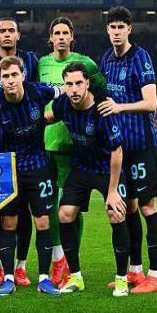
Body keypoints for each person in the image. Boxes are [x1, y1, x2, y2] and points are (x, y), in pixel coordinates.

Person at [45, 62, 130, 297]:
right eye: (69, 84)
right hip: (81, 168)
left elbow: (117, 151)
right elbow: (47, 117)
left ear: (87, 83)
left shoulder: (102, 110)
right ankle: (75, 276)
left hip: (106, 169)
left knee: (116, 213)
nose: (74, 89)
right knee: (64, 214)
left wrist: (112, 191)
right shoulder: (63, 103)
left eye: (78, 83)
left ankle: (122, 279)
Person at [37, 17, 107, 287]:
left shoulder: (86, 63)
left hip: (73, 149)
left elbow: (102, 92)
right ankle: (58, 260)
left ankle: (69, 261)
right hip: (46, 145)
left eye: (65, 32)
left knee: (69, 208)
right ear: (50, 38)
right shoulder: (41, 64)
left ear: (72, 37)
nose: (61, 37)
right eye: (56, 33)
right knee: (48, 206)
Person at [98, 6, 157, 293]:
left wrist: (119, 107)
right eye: (112, 27)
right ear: (107, 30)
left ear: (129, 29)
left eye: (121, 27)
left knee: (148, 206)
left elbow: (151, 103)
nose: (116, 32)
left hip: (142, 145)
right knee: (130, 207)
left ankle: (155, 276)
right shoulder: (106, 60)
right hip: (119, 148)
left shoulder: (141, 57)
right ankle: (135, 270)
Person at [0, 56, 61, 296]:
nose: (10, 80)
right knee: (9, 222)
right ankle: (9, 277)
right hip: (9, 167)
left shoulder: (39, 92)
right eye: (5, 76)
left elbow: (65, 93)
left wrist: (54, 116)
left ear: (23, 75)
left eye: (14, 75)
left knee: (43, 221)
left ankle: (44, 279)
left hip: (37, 164)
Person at [0, 17, 38, 287]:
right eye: (2, 31)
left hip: (26, 149)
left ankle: (21, 267)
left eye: (11, 30)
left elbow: (35, 95)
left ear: (18, 35)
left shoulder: (31, 60)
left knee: (23, 210)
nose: (7, 35)